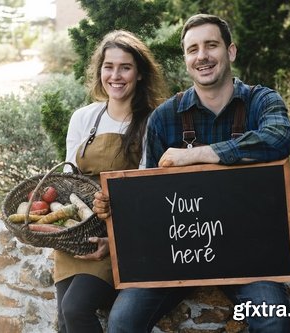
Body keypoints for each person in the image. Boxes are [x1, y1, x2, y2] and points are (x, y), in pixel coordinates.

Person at [93, 14, 290, 333]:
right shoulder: (165, 117)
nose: (202, 56)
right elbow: (147, 197)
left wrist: (197, 155)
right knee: (122, 322)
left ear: (230, 52)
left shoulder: (261, 101)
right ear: (186, 59)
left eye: (211, 45)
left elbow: (279, 139)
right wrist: (113, 210)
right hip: (177, 257)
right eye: (193, 49)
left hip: (250, 259)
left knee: (274, 323)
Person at [55, 30, 169, 333]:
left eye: (125, 67)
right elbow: (68, 178)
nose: (115, 75)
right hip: (77, 233)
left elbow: (148, 193)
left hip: (119, 236)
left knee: (75, 309)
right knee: (65, 321)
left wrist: (117, 241)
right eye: (109, 66)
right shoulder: (84, 118)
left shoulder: (152, 122)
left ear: (140, 73)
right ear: (99, 70)